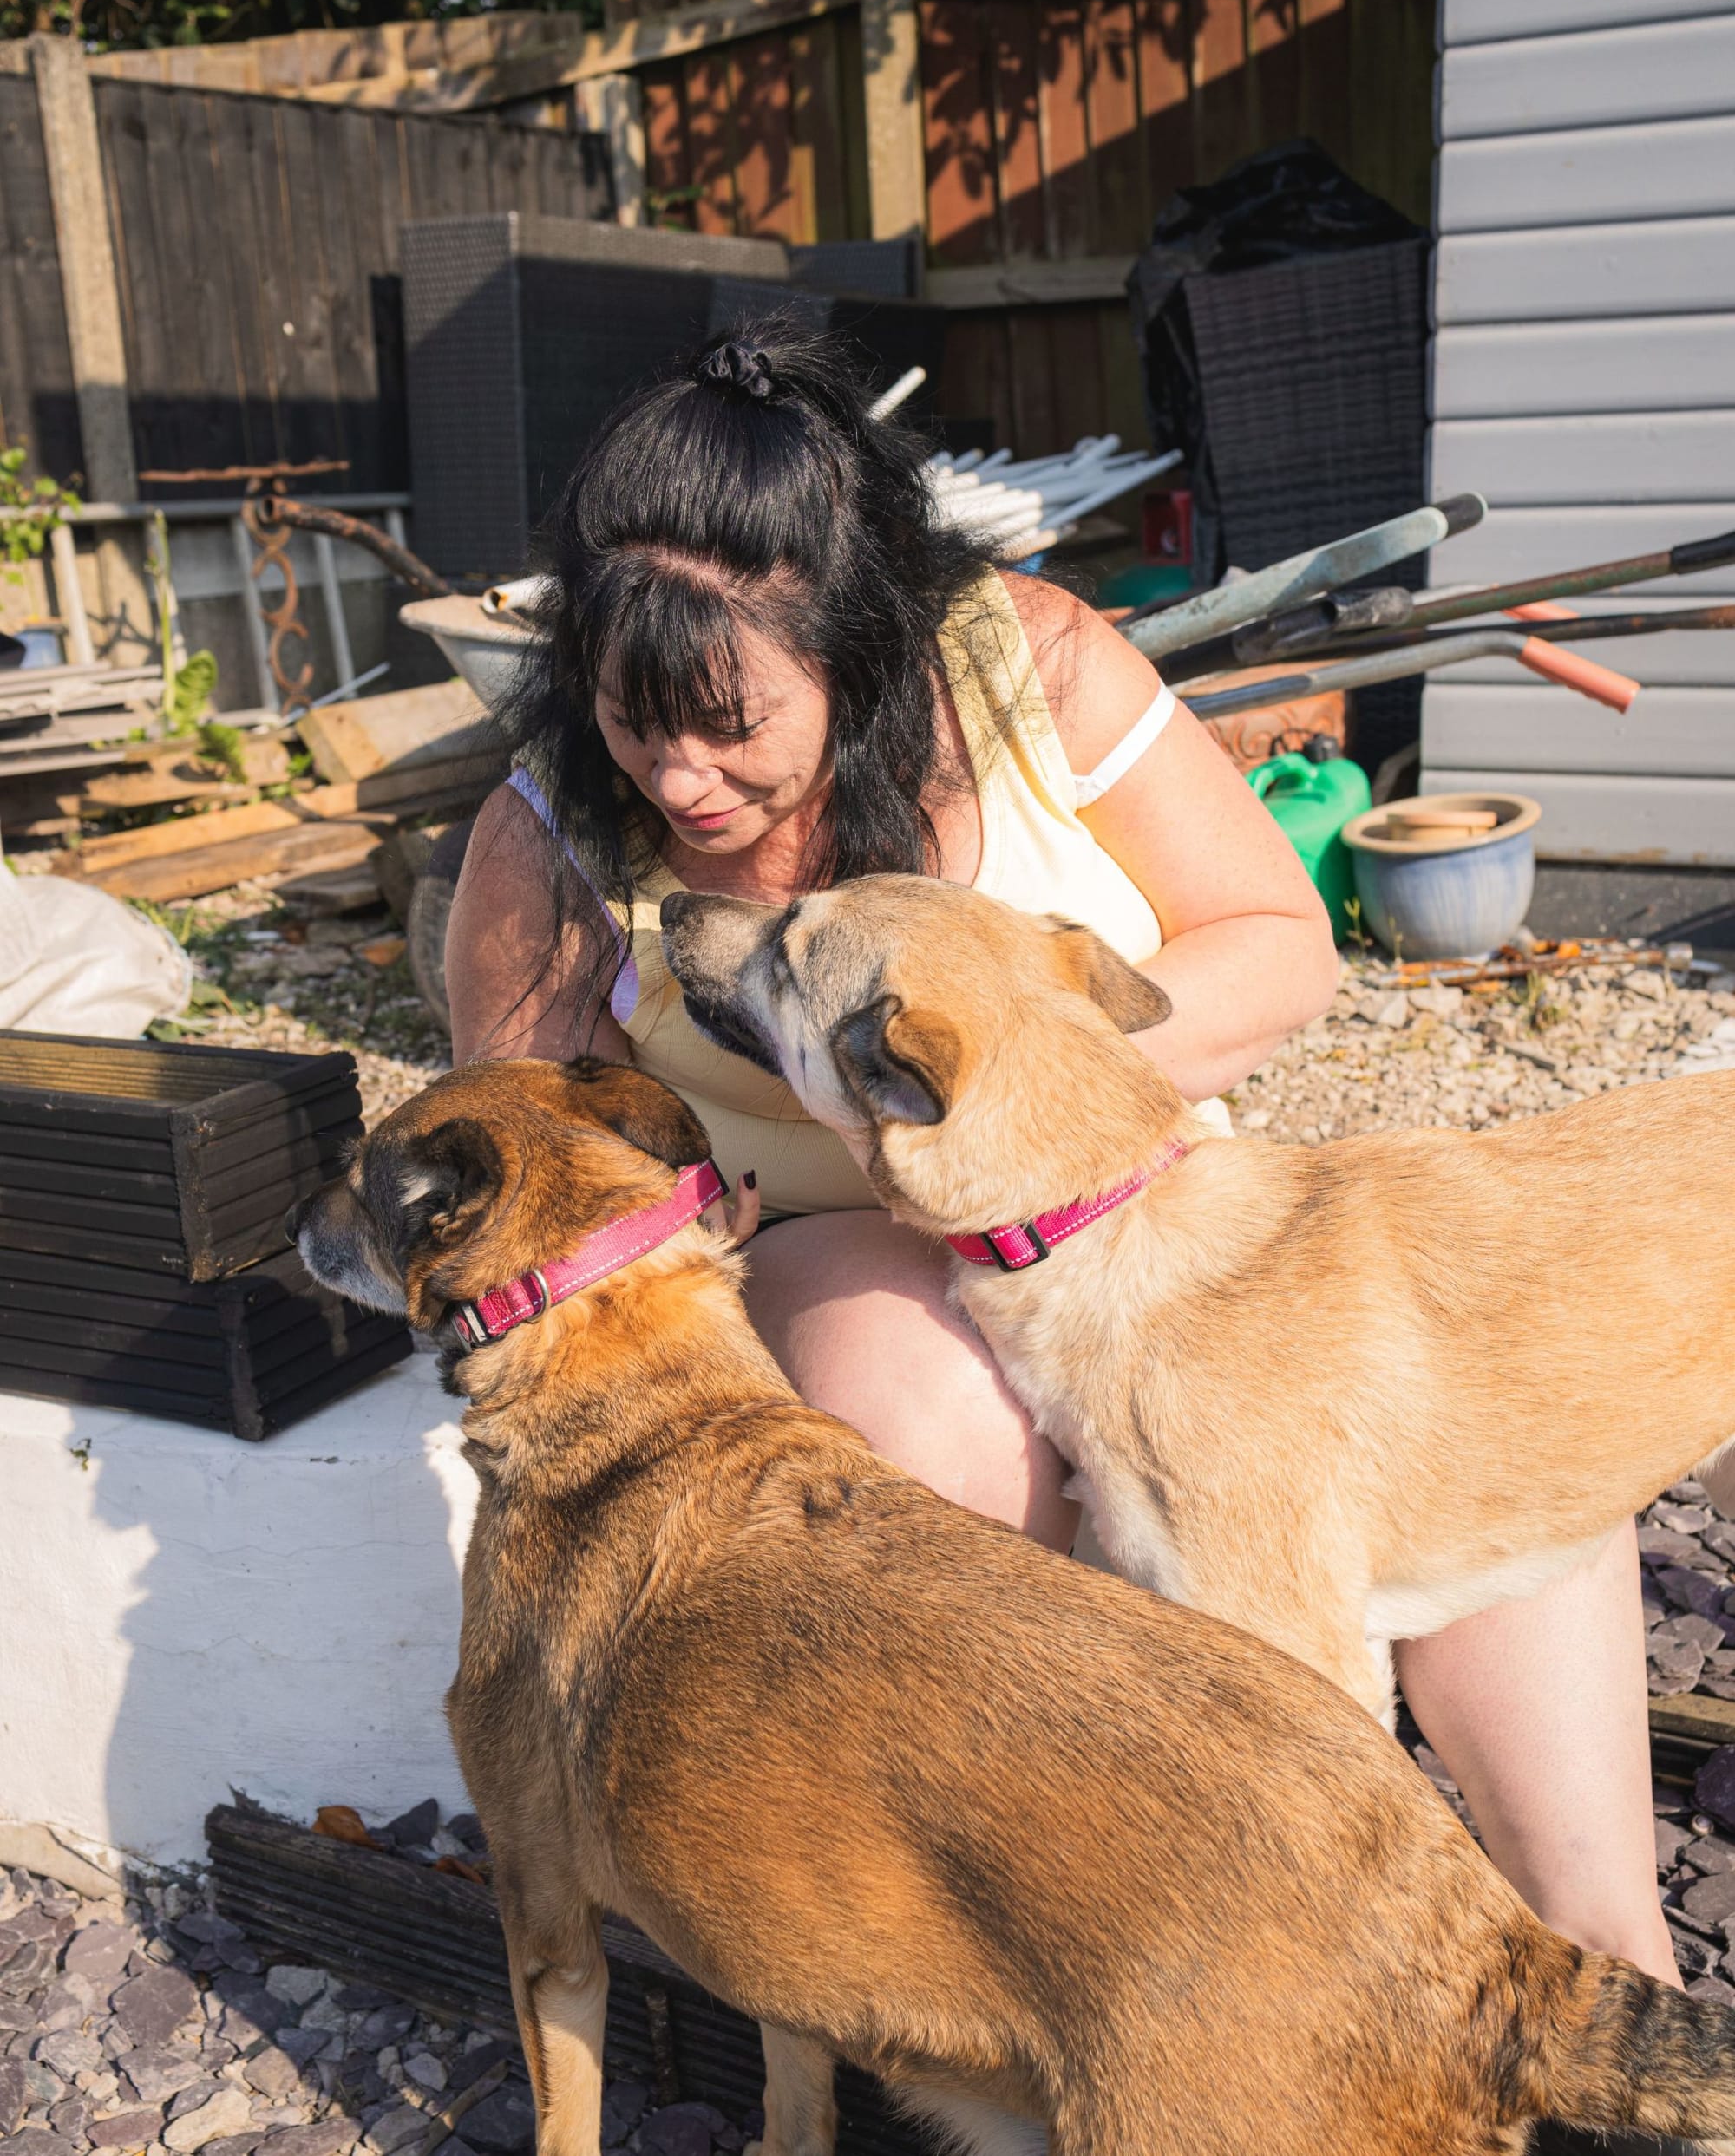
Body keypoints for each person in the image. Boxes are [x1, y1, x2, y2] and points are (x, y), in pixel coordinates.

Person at [446, 328, 1677, 2002]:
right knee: (925, 1388)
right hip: (820, 1239)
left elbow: (1277, 941)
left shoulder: (1028, 668)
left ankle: (1610, 1966)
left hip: (1138, 1186)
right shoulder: (552, 840)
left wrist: (1013, 1116)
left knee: (1424, 1418)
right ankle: (1047, 1916)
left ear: (858, 647)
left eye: (733, 728)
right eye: (633, 719)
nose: (680, 779)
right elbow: (532, 1202)